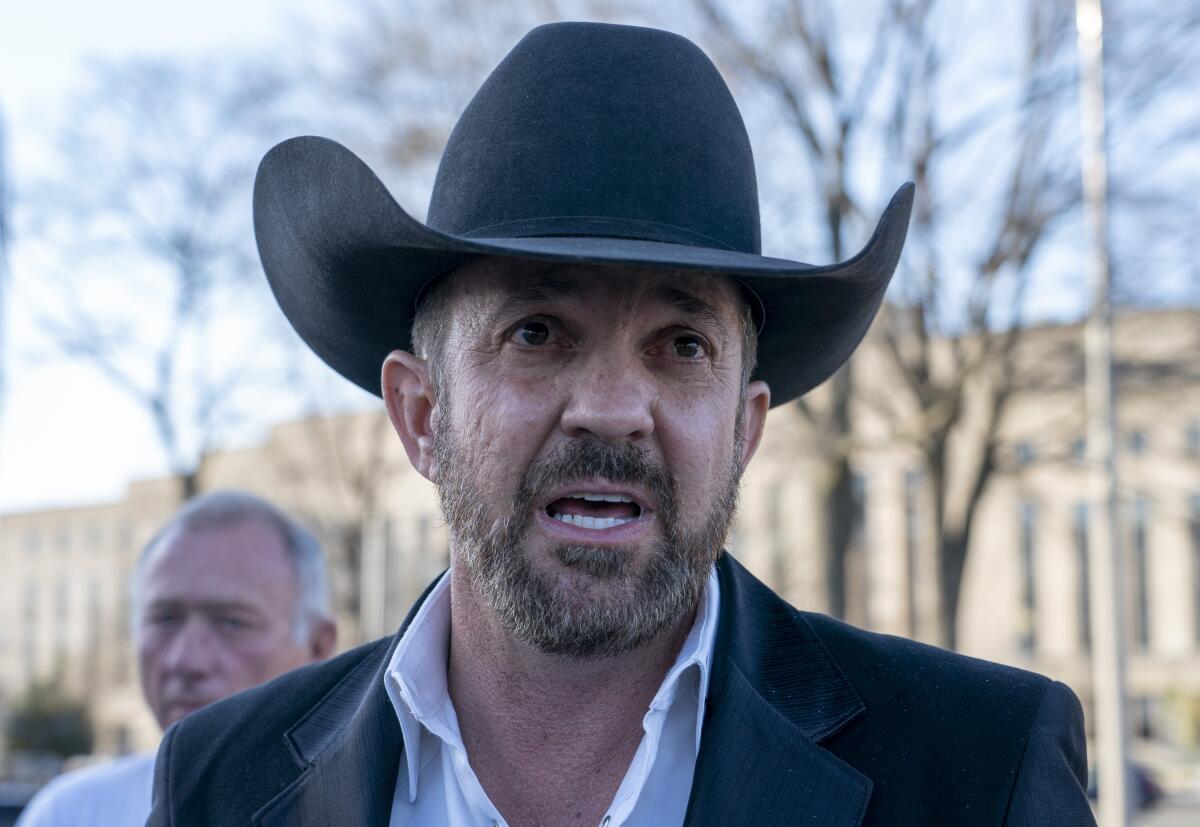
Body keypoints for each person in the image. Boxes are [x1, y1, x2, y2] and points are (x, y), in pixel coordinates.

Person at [149, 22, 1094, 826]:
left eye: (681, 345)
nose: (611, 408)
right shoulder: (221, 785)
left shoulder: (982, 771)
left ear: (743, 429)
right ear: (421, 414)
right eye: (537, 332)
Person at [17, 491, 337, 827]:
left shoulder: (379, 810)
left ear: (317, 646)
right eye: (165, 619)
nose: (186, 660)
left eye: (232, 622)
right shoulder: (69, 815)